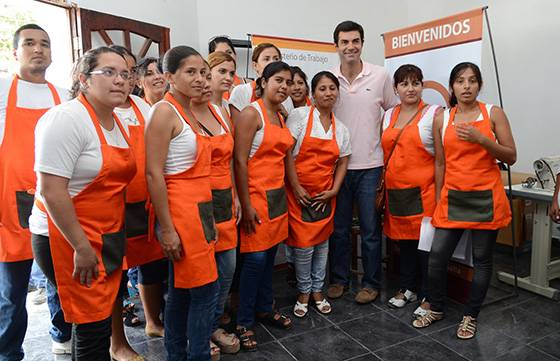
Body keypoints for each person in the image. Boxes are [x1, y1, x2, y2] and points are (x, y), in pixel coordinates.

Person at [31, 46, 136, 360]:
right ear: (83, 79)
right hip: (67, 237)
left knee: (99, 322)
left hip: (105, 233)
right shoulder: (66, 119)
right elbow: (52, 191)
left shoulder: (115, 122)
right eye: (109, 72)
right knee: (91, 327)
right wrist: (82, 247)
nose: (120, 80)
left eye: (126, 74)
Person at [412, 62, 516, 340]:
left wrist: (483, 139)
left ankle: (471, 315)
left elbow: (510, 156)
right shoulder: (442, 119)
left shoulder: (493, 113)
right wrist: (436, 202)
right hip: (453, 197)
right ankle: (436, 307)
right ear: (452, 87)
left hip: (486, 197)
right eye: (460, 81)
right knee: (436, 259)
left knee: (482, 261)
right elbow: (440, 165)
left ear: (479, 85)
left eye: (472, 81)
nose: (466, 86)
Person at [0, 24, 72, 360]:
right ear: (15, 51)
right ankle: (9, 352)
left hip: (55, 198)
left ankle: (62, 335)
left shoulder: (63, 96)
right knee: (12, 291)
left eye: (44, 43)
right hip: (11, 200)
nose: (38, 49)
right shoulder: (2, 90)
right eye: (29, 43)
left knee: (60, 277)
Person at [145, 46, 218, 361]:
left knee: (180, 293)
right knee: (205, 291)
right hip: (181, 213)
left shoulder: (189, 110)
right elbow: (153, 173)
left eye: (203, 72)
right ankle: (197, 355)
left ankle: (176, 354)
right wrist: (168, 229)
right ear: (169, 76)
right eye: (191, 72)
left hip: (200, 210)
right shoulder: (164, 111)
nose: (200, 78)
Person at [328, 20, 399, 303]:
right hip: (338, 167)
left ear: (362, 43)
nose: (350, 46)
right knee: (339, 229)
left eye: (355, 41)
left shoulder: (380, 75)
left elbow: (393, 115)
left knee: (371, 230)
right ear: (336, 46)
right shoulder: (329, 78)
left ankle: (371, 284)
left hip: (371, 166)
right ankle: (339, 280)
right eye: (344, 42)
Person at [110, 45, 168, 361]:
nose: (125, 78)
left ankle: (152, 321)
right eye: (117, 71)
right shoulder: (99, 109)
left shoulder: (141, 109)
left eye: (129, 71)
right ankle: (117, 342)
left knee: (151, 264)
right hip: (111, 206)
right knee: (115, 274)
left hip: (142, 202)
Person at [234, 61, 294, 351]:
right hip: (256, 197)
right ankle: (244, 321)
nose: (283, 87)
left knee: (269, 259)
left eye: (288, 82)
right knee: (255, 262)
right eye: (278, 81)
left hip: (276, 198)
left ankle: (264, 308)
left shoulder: (280, 116)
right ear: (263, 82)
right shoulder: (250, 113)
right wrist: (245, 204)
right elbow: (239, 161)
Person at [285, 71, 351, 318]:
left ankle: (317, 290)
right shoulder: (299, 116)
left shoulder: (341, 129)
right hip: (300, 195)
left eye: (332, 88)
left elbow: (343, 161)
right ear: (313, 93)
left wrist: (334, 189)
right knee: (304, 246)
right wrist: (296, 186)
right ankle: (303, 291)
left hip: (325, 196)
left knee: (322, 244)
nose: (328, 93)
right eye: (322, 88)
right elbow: (287, 153)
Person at [380, 64, 441, 316]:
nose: (410, 88)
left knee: (425, 246)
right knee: (404, 243)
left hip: (425, 191)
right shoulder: (388, 115)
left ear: (422, 85)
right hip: (396, 192)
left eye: (415, 83)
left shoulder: (434, 113)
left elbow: (441, 158)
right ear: (395, 89)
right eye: (404, 84)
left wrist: (440, 196)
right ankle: (407, 287)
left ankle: (428, 293)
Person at [204, 53, 242, 357]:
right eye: (221, 71)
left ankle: (213, 322)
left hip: (226, 198)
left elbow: (229, 159)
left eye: (231, 71)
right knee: (203, 270)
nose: (228, 77)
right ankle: (201, 331)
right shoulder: (197, 107)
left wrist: (238, 197)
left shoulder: (226, 111)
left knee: (227, 267)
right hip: (202, 199)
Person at [229, 43, 293, 118]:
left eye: (276, 59)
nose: (272, 62)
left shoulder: (286, 97)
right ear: (255, 65)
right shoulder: (242, 91)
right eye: (266, 59)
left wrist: (286, 116)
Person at [207, 51, 235, 121]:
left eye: (232, 73)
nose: (228, 78)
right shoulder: (199, 106)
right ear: (208, 71)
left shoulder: (228, 106)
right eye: (222, 71)